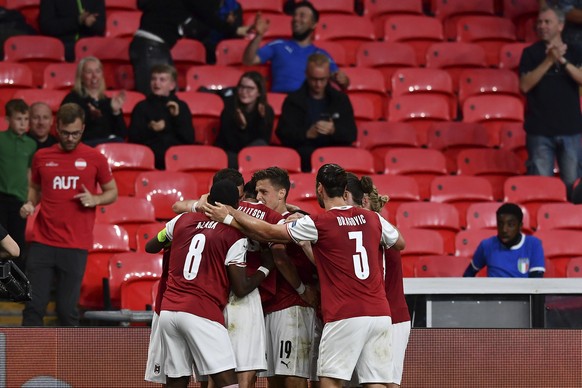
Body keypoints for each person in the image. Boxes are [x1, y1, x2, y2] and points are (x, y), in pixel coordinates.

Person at [204, 163, 405, 388]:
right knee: (375, 382)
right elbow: (399, 242)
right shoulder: (373, 219)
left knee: (329, 380)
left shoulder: (319, 223)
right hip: (379, 313)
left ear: (320, 189)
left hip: (345, 312)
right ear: (345, 189)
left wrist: (231, 213)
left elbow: (268, 232)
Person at [149, 179, 274, 388]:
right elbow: (241, 288)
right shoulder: (234, 234)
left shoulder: (181, 220)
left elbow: (151, 245)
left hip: (169, 312)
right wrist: (266, 268)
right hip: (202, 312)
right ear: (236, 205)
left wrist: (169, 236)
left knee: (176, 380)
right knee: (228, 382)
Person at [19, 103, 118, 326]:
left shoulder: (95, 158)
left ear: (82, 128)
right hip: (42, 243)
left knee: (66, 311)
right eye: (65, 133)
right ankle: (25, 360)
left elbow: (113, 192)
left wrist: (96, 199)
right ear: (57, 128)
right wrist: (29, 203)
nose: (70, 137)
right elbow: (35, 188)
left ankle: (67, 361)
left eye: (75, 133)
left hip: (75, 245)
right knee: (34, 307)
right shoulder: (42, 156)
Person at [252, 167, 319, 388]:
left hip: (293, 308)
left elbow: (281, 258)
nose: (259, 197)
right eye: (256, 192)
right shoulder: (271, 220)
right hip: (271, 307)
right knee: (274, 378)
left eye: (264, 191)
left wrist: (301, 290)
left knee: (293, 376)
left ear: (281, 193)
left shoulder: (295, 222)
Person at [344, 173, 410, 388]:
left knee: (387, 383)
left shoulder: (378, 226)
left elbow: (401, 243)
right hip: (369, 313)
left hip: (391, 316)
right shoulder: (358, 228)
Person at [519, 5, 582, 201]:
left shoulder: (575, 51)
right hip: (540, 132)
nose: (542, 26)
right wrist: (548, 61)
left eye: (547, 22)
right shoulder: (530, 54)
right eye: (539, 22)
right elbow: (525, 86)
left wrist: (562, 61)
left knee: (573, 183)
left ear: (560, 26)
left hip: (571, 130)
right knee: (541, 186)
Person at [129, 0, 249, 95]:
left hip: (153, 46)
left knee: (168, 98)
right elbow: (207, 15)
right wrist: (235, 29)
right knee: (159, 100)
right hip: (151, 47)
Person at [242, 1, 349, 93]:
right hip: (281, 103)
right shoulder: (278, 45)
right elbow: (248, 60)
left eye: (302, 15)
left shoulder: (321, 54)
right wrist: (258, 36)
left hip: (309, 105)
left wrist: (343, 80)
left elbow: (341, 81)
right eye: (295, 15)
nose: (296, 19)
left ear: (314, 24)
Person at [276, 53, 357, 172]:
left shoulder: (340, 99)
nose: (318, 84)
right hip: (305, 154)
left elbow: (352, 134)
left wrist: (333, 130)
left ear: (329, 76)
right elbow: (283, 133)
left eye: (322, 79)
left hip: (335, 152)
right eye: (314, 79)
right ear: (306, 75)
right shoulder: (293, 100)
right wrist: (307, 134)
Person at [128, 64, 195, 170]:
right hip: (149, 157)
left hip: (177, 158)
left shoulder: (181, 106)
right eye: (154, 79)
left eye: (162, 79)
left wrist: (176, 118)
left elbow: (189, 139)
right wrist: (150, 128)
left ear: (172, 85)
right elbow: (133, 138)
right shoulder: (141, 107)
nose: (156, 83)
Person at [463, 203, 545, 278]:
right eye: (500, 224)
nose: (504, 229)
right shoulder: (486, 245)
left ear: (520, 226)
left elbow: (536, 285)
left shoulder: (533, 244)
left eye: (510, 225)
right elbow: (468, 275)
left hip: (522, 293)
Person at [0, 99, 36, 271]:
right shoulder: (0, 139)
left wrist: (28, 201)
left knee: (17, 241)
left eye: (26, 119)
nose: (23, 123)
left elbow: (29, 173)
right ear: (8, 119)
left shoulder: (31, 144)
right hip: (0, 198)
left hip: (18, 201)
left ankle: (16, 285)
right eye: (18, 119)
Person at [61, 57, 127, 147]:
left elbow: (122, 134)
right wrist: (90, 116)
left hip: (108, 147)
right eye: (89, 72)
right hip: (83, 146)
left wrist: (116, 112)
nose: (94, 76)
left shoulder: (107, 102)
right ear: (81, 76)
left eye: (97, 71)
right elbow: (68, 130)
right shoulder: (72, 99)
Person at [215, 71, 274, 169]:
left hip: (253, 156)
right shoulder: (230, 108)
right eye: (241, 87)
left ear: (259, 92)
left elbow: (264, 142)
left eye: (250, 88)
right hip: (230, 153)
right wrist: (241, 127)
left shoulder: (266, 111)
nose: (244, 92)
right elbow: (229, 144)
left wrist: (261, 120)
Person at [38, 0, 106, 62]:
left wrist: (91, 24)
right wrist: (77, 21)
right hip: (63, 45)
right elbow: (47, 27)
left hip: (90, 45)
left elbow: (101, 27)